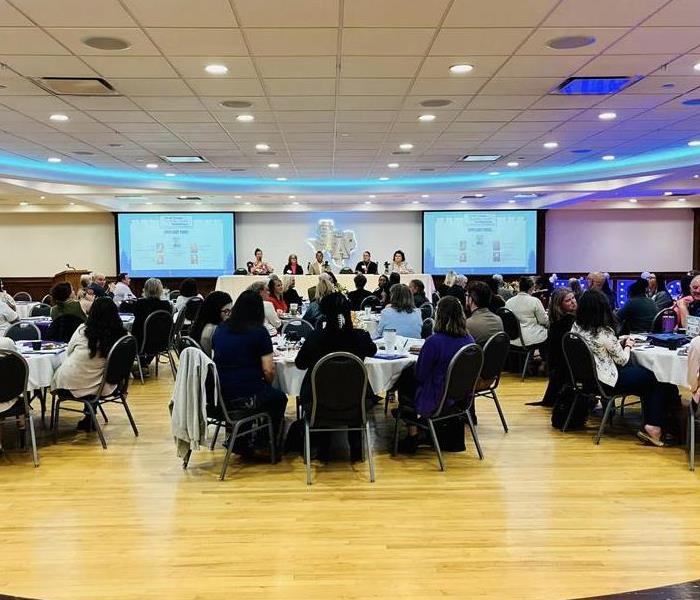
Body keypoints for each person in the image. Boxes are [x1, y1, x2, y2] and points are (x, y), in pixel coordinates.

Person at [572, 289, 679, 446]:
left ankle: (655, 423)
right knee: (656, 377)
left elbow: (601, 347)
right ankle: (654, 427)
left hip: (589, 380)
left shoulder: (576, 327)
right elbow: (623, 360)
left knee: (647, 378)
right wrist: (628, 345)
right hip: (608, 381)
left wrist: (618, 342)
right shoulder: (604, 332)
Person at [294, 292, 377, 461]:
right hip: (356, 401)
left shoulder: (315, 337)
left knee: (323, 390)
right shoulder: (360, 336)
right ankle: (356, 450)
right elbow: (373, 350)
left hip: (318, 401)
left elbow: (300, 363)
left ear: (323, 313)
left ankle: (322, 447)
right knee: (350, 390)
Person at [396, 296, 476, 453]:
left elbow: (420, 375)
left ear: (439, 316)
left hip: (437, 396)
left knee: (406, 378)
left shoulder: (434, 342)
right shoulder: (469, 340)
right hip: (461, 396)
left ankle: (412, 433)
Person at [212, 290, 288, 452]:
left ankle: (242, 438)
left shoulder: (220, 329)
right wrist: (266, 384)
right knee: (278, 398)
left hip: (220, 394)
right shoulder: (259, 332)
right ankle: (265, 441)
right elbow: (268, 370)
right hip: (247, 394)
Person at [51, 297, 126, 431]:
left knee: (85, 371)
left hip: (73, 383)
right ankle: (89, 416)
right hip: (103, 384)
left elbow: (69, 351)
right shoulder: (121, 335)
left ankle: (88, 416)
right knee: (93, 372)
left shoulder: (83, 331)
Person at [533, 287, 577, 407]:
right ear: (559, 305)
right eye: (568, 300)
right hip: (566, 366)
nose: (573, 302)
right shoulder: (568, 323)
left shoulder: (556, 323)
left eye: (573, 298)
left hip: (557, 366)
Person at [132, 278, 172, 373]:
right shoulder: (166, 305)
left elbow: (136, 325)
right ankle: (145, 363)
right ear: (160, 290)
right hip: (162, 342)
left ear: (145, 289)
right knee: (153, 337)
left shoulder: (140, 304)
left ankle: (143, 364)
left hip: (142, 342)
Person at [504, 276, 549, 349]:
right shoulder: (535, 301)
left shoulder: (509, 301)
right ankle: (544, 358)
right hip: (530, 339)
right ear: (531, 287)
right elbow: (543, 321)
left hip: (512, 339)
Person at [189, 291, 232, 356]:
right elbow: (208, 361)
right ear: (215, 311)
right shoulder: (210, 330)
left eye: (231, 310)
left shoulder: (201, 324)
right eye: (226, 311)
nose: (230, 315)